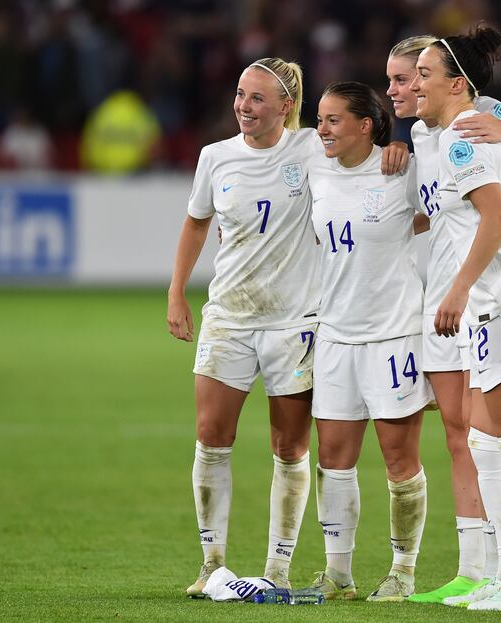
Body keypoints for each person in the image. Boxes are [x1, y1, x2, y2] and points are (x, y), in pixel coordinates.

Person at [168, 58, 409, 597]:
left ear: (285, 105)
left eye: (257, 98)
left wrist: (397, 148)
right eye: (239, 94)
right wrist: (176, 291)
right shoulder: (215, 158)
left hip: (295, 322)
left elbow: (359, 152)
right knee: (212, 437)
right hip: (229, 317)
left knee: (290, 447)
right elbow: (196, 221)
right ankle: (212, 561)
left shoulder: (310, 148)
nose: (243, 106)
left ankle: (278, 567)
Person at [385, 34, 501, 605]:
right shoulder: (445, 135)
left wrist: (458, 289)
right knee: (487, 445)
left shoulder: (470, 132)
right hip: (495, 307)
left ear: (455, 82)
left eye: (421, 73)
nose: (412, 83)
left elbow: (500, 212)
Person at [307, 81, 430, 602]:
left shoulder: (402, 169)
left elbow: (441, 215)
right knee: (333, 458)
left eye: (334, 120)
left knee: (400, 460)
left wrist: (405, 143)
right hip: (334, 334)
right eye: (319, 119)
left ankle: (403, 571)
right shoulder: (314, 170)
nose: (322, 129)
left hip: (394, 335)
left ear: (366, 125)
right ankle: (338, 574)